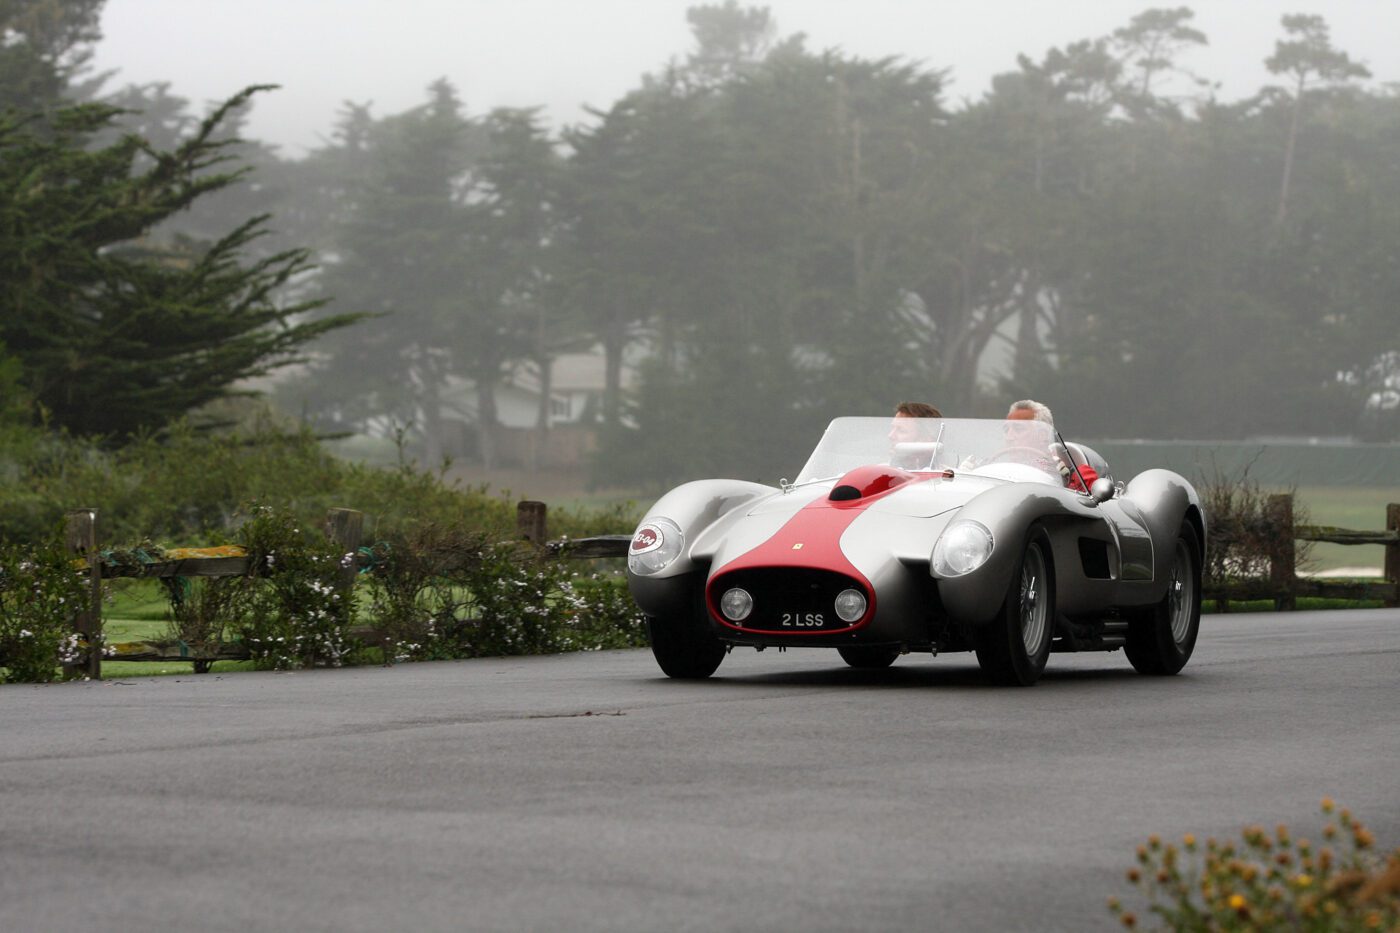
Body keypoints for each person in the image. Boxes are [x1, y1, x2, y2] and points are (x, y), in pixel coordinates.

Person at [1003, 399, 1099, 492]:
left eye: (1018, 429)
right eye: (1006, 430)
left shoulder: (1077, 478)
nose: (1009, 437)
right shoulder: (997, 471)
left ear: (1042, 435)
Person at [888, 402, 944, 470]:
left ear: (926, 440)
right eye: (892, 428)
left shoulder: (950, 477)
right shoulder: (880, 473)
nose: (890, 436)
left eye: (901, 431)